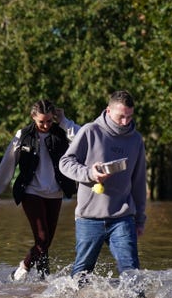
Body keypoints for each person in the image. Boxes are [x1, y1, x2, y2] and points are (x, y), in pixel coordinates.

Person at [59, 90, 147, 287]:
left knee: (131, 270)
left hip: (122, 217)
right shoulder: (90, 131)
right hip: (89, 217)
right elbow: (65, 163)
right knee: (82, 272)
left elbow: (139, 182)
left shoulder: (136, 140)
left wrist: (140, 218)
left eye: (130, 116)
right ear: (108, 111)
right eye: (121, 116)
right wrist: (90, 173)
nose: (126, 122)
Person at [0, 99, 79, 281]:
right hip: (31, 191)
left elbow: (82, 139)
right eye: (41, 122)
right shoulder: (24, 134)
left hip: (55, 193)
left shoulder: (61, 132)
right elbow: (8, 161)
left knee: (45, 243)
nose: (45, 125)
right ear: (33, 117)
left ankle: (42, 280)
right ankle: (22, 268)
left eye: (49, 121)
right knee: (43, 238)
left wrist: (64, 121)